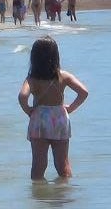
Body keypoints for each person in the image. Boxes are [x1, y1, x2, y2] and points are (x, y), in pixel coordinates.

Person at [18, 36, 88, 181]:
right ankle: (64, 191)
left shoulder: (32, 79)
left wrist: (28, 110)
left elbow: (22, 96)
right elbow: (83, 92)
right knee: (63, 163)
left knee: (38, 165)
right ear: (56, 56)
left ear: (34, 58)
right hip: (59, 118)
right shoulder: (63, 76)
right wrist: (71, 108)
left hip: (39, 120)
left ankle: (38, 193)